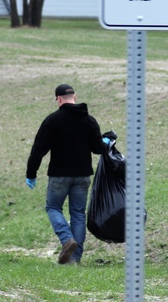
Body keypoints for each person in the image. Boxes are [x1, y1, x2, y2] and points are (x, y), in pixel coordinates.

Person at [26, 84, 109, 265]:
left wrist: (31, 173)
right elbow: (98, 149)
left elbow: (38, 150)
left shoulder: (52, 120)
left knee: (53, 208)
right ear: (75, 97)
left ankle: (66, 240)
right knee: (78, 214)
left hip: (59, 176)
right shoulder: (89, 120)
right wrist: (107, 141)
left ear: (59, 99)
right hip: (83, 176)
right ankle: (74, 260)